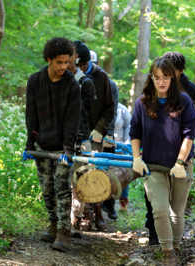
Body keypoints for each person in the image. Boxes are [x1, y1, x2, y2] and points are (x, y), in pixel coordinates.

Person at [129, 57, 195, 265]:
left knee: (176, 212)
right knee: (159, 209)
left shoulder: (184, 101)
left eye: (165, 78)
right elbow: (135, 132)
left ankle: (176, 249)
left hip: (180, 165)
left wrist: (180, 162)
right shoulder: (142, 102)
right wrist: (136, 158)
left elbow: (189, 135)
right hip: (153, 166)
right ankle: (167, 254)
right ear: (151, 78)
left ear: (172, 78)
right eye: (157, 78)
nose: (161, 82)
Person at [23, 37, 81, 252]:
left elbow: (72, 121)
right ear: (49, 59)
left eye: (67, 62)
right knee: (47, 189)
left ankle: (64, 231)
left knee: (62, 188)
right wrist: (30, 143)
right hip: (42, 146)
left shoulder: (72, 85)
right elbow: (31, 115)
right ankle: (53, 224)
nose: (64, 67)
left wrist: (68, 148)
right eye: (59, 62)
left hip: (62, 148)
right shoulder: (35, 81)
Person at [144, 51, 195, 246]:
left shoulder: (191, 92)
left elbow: (190, 127)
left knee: (177, 208)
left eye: (170, 72)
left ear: (179, 71)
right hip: (155, 155)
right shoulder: (152, 89)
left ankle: (174, 245)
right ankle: (154, 234)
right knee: (155, 201)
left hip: (180, 152)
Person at [75, 44, 115, 231]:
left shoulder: (102, 78)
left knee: (94, 174)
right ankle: (80, 215)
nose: (81, 68)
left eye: (83, 65)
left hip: (94, 135)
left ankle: (97, 211)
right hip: (74, 133)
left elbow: (109, 108)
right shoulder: (70, 76)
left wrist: (100, 129)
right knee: (75, 174)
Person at [66, 41, 96, 238]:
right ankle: (60, 221)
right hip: (58, 138)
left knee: (80, 180)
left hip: (81, 138)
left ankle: (75, 219)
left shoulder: (85, 82)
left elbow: (82, 112)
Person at [89, 50, 120, 220]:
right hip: (86, 134)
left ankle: (109, 205)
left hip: (105, 133)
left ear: (98, 64)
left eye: (94, 63)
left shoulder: (110, 84)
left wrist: (105, 134)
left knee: (106, 171)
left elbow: (112, 112)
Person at [114, 103, 131, 211]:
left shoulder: (122, 109)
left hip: (121, 147)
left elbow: (129, 126)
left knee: (125, 173)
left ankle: (123, 201)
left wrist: (127, 144)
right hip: (105, 146)